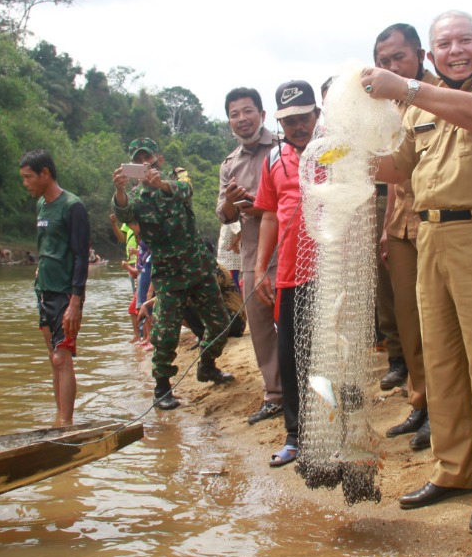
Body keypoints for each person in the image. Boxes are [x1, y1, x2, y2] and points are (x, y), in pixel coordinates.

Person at [362, 10, 472, 534]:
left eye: (465, 40)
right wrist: (342, 154)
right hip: (433, 232)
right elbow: (400, 166)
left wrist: (407, 86)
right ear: (434, 54)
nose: (457, 49)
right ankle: (454, 468)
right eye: (446, 44)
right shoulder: (422, 105)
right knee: (441, 359)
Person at [114, 139, 234, 411]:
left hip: (198, 267)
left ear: (159, 159)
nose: (145, 163)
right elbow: (123, 212)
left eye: (149, 157)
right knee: (165, 334)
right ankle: (162, 388)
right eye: (139, 159)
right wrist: (119, 189)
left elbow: (186, 189)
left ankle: (207, 366)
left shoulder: (177, 180)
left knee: (220, 324)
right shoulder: (135, 198)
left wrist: (162, 185)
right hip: (168, 275)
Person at [374, 23, 443, 451]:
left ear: (420, 55)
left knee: (438, 321)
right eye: (383, 61)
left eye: (398, 58)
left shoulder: (439, 96)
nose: (390, 67)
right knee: (409, 322)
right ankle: (420, 402)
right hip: (399, 225)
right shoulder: (388, 107)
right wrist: (385, 230)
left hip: (436, 222)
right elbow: (395, 178)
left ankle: (444, 409)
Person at [253, 80, 321, 468]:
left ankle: (333, 431)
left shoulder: (336, 152)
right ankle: (295, 436)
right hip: (290, 277)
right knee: (292, 358)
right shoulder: (274, 160)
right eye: (289, 120)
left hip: (331, 274)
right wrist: (262, 267)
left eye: (304, 117)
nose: (297, 126)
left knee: (329, 355)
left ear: (317, 114)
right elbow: (267, 215)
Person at [217, 88, 284, 425]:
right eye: (234, 114)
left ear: (262, 114)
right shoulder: (230, 165)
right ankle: (274, 395)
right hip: (252, 253)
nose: (241, 119)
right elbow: (225, 215)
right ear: (229, 120)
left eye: (247, 111)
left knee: (292, 324)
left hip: (287, 251)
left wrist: (260, 202)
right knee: (260, 328)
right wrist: (232, 200)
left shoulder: (283, 148)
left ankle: (307, 391)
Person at [19, 149, 89, 427]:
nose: (25, 183)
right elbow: (45, 246)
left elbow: (81, 256)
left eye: (28, 177)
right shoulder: (41, 206)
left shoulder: (73, 206)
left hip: (64, 293)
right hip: (44, 290)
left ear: (45, 174)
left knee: (62, 358)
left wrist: (75, 302)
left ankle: (66, 424)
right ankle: (58, 418)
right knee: (53, 359)